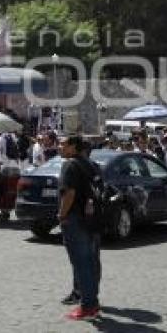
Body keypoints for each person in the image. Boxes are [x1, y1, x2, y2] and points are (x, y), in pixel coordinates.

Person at [58, 135, 101, 320]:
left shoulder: (69, 165)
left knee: (81, 263)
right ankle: (93, 301)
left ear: (73, 147)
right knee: (91, 262)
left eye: (63, 144)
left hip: (75, 218)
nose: (60, 146)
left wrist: (61, 214)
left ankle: (87, 306)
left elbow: (70, 193)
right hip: (92, 218)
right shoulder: (91, 164)